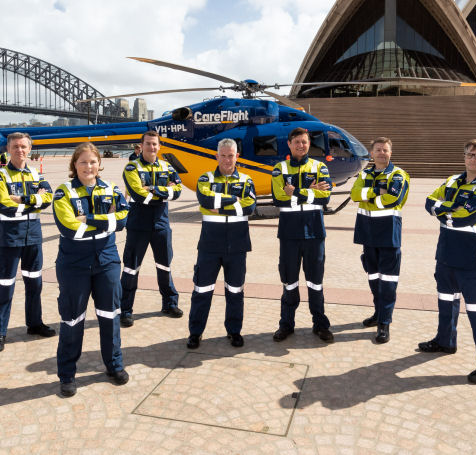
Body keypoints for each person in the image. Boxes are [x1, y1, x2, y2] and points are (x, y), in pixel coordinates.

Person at [418, 138, 476, 385]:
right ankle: (445, 341)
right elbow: (428, 202)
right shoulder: (452, 181)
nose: (473, 159)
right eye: (469, 154)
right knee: (446, 302)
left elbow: (466, 217)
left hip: (471, 258)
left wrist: (443, 211)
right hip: (446, 254)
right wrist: (449, 210)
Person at [52, 143, 130, 396]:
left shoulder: (111, 189)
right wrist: (107, 221)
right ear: (74, 165)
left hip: (107, 259)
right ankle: (67, 375)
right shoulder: (63, 192)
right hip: (74, 263)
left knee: (110, 315)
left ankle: (114, 365)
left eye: (93, 162)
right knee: (73, 318)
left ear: (99, 164)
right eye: (83, 162)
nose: (88, 167)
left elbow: (124, 220)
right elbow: (69, 229)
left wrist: (90, 220)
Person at [0, 132, 55, 353]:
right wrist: (36, 200)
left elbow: (49, 198)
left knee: (34, 284)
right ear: (8, 149)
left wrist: (25, 200)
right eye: (15, 146)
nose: (20, 150)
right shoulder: (0, 176)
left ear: (29, 149)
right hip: (10, 238)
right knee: (4, 287)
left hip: (33, 238)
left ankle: (34, 324)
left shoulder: (36, 173)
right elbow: (4, 205)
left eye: (24, 146)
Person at [187, 138, 256, 350]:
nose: (227, 159)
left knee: (235, 290)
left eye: (231, 155)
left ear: (237, 157)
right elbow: (205, 201)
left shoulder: (246, 180)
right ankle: (195, 333)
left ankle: (234, 330)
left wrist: (222, 205)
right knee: (202, 289)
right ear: (216, 156)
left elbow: (250, 206)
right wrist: (235, 200)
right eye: (223, 155)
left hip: (237, 245)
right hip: (210, 244)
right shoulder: (204, 178)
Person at [271, 127, 334, 343]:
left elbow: (325, 196)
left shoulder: (320, 166)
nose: (301, 145)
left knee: (315, 282)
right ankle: (286, 324)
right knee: (289, 281)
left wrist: (296, 191)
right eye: (297, 141)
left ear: (309, 144)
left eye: (304, 142)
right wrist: (310, 190)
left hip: (314, 232)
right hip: (289, 234)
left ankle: (320, 324)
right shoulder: (279, 169)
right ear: (289, 144)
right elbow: (279, 198)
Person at [119, 131, 183, 327]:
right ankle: (125, 310)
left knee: (165, 266)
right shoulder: (131, 167)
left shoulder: (167, 166)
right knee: (131, 268)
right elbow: (138, 195)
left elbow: (178, 191)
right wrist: (165, 191)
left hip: (161, 225)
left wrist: (153, 189)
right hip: (138, 225)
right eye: (148, 144)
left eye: (155, 144)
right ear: (142, 145)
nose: (151, 147)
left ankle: (169, 303)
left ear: (159, 146)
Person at [349, 137, 410, 344]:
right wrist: (376, 192)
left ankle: (385, 322)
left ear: (390, 153)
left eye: (385, 150)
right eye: (378, 150)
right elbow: (355, 194)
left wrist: (368, 197)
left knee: (388, 279)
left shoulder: (398, 175)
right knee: (373, 276)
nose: (382, 153)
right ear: (372, 153)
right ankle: (378, 313)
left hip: (387, 233)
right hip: (367, 232)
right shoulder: (365, 173)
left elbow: (393, 198)